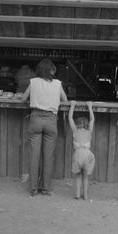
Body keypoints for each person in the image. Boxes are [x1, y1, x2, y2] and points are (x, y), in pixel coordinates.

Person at [21, 59, 68, 196]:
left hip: (35, 119)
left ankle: (33, 189)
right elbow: (65, 100)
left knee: (34, 156)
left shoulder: (33, 82)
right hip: (51, 121)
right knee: (48, 156)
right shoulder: (58, 84)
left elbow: (23, 99)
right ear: (51, 71)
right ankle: (46, 189)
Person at [68, 100, 95, 200]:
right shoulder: (89, 132)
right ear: (87, 125)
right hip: (87, 155)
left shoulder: (75, 131)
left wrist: (72, 105)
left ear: (77, 124)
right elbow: (92, 120)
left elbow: (70, 118)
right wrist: (90, 107)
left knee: (78, 175)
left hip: (77, 155)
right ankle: (86, 195)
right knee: (86, 176)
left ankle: (78, 194)